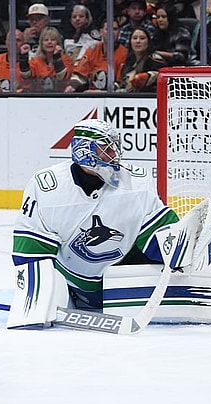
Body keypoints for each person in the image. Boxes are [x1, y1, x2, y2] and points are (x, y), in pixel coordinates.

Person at [11, 118, 179, 311]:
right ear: (84, 151)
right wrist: (34, 298)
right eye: (106, 150)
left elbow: (160, 237)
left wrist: (182, 250)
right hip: (72, 284)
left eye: (114, 148)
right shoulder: (47, 187)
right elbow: (31, 251)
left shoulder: (136, 182)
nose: (114, 154)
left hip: (123, 281)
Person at [65, 17, 127, 92]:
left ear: (119, 32)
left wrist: (100, 92)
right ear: (101, 32)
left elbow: (121, 84)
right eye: (107, 29)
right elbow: (80, 74)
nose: (111, 32)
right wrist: (72, 87)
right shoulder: (92, 50)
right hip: (91, 97)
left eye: (115, 29)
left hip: (113, 98)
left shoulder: (125, 53)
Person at [20, 26, 73, 92]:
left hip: (60, 96)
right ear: (41, 43)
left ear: (58, 43)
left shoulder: (66, 59)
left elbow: (62, 77)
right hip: (40, 97)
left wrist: (57, 57)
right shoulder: (36, 61)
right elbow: (26, 76)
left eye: (53, 40)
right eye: (46, 40)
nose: (49, 42)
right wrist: (23, 58)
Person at [117, 27, 166, 92]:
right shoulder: (128, 62)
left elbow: (163, 78)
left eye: (142, 38)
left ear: (148, 42)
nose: (138, 41)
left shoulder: (155, 60)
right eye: (135, 38)